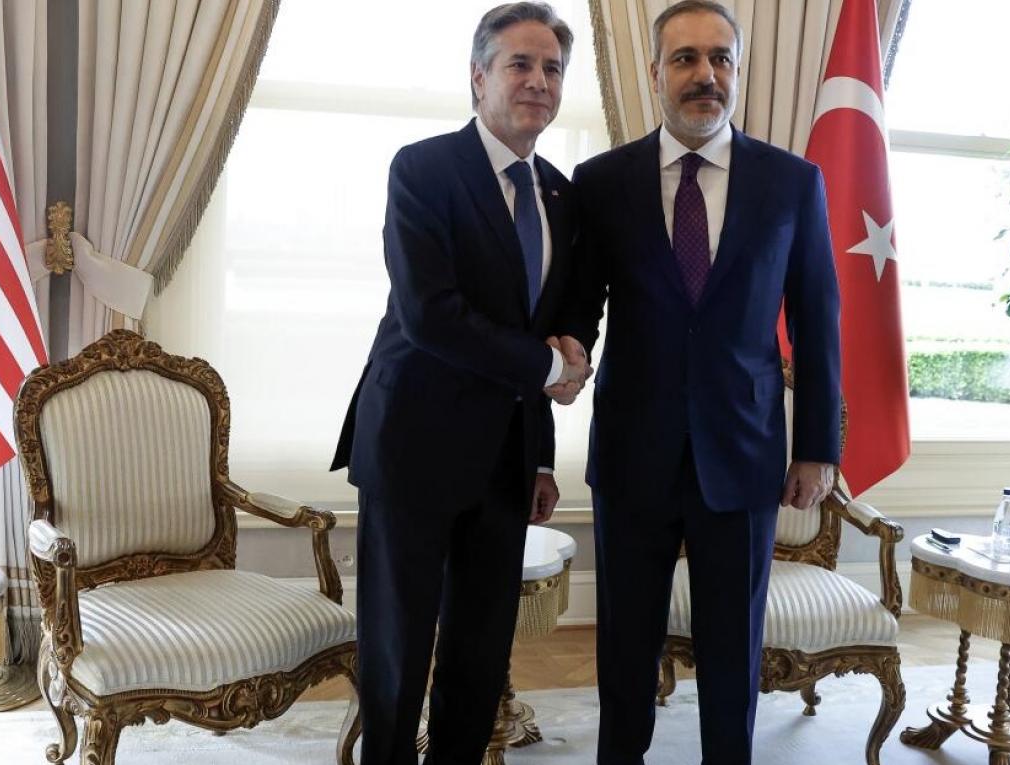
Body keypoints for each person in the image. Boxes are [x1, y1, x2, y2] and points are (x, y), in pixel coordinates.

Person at [556, 1, 841, 762]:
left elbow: (818, 320)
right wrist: (566, 355)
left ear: (738, 72)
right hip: (632, 451)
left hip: (743, 454)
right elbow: (580, 305)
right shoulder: (602, 182)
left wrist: (817, 448)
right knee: (625, 648)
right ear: (655, 72)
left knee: (732, 650)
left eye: (720, 58)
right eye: (685, 58)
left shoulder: (792, 183)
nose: (705, 75)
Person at [328, 4, 588, 763]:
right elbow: (431, 316)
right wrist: (551, 368)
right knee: (397, 652)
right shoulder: (423, 169)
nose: (538, 81)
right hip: (413, 443)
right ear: (478, 77)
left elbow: (550, 325)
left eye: (552, 69)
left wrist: (542, 454)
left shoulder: (562, 195)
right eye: (520, 64)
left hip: (507, 457)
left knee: (480, 652)